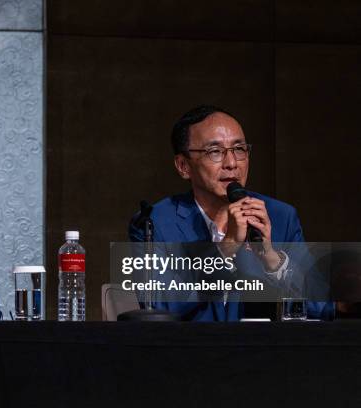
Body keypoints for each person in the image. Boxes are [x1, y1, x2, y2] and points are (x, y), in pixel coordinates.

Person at [128, 105, 331, 321]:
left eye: (239, 149)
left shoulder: (280, 216)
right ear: (183, 166)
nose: (232, 163)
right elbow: (158, 306)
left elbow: (323, 308)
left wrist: (274, 262)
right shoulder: (154, 223)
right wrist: (226, 247)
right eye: (214, 152)